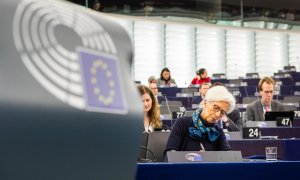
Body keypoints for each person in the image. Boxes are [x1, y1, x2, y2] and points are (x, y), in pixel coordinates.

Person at [165, 86, 235, 151]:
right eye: (216, 108)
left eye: (222, 112)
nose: (218, 114)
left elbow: (227, 154)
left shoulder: (218, 131)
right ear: (205, 103)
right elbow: (170, 152)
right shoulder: (182, 123)